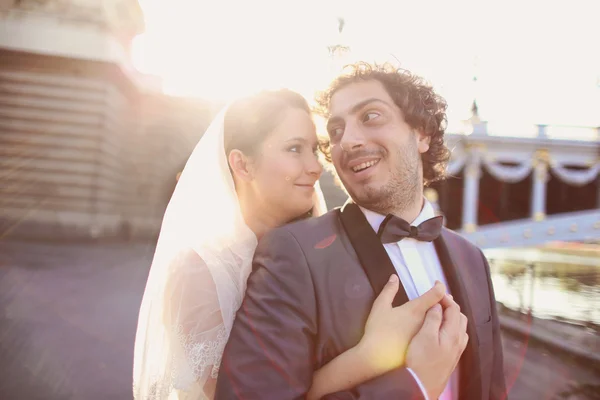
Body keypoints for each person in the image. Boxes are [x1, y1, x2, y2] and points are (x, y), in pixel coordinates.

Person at [132, 89, 452, 399]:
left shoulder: (322, 252)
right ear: (243, 165)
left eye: (313, 150)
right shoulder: (199, 272)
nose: (315, 167)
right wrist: (370, 355)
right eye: (294, 149)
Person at [216, 63, 507, 399]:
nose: (348, 141)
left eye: (370, 116)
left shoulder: (472, 259)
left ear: (421, 133)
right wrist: (414, 385)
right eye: (336, 130)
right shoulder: (292, 254)